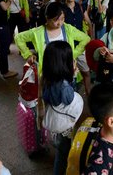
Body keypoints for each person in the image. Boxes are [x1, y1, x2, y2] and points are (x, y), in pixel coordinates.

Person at [14, 1, 90, 76]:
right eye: (56, 20)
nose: (60, 23)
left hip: (66, 69)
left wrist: (73, 54)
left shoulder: (68, 29)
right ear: (47, 18)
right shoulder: (37, 32)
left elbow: (86, 38)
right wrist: (28, 55)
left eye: (62, 19)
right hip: (47, 72)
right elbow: (18, 38)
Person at [41, 41, 83, 175]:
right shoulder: (64, 85)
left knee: (60, 149)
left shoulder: (46, 78)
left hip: (54, 122)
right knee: (63, 154)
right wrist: (74, 78)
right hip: (63, 126)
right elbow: (69, 100)